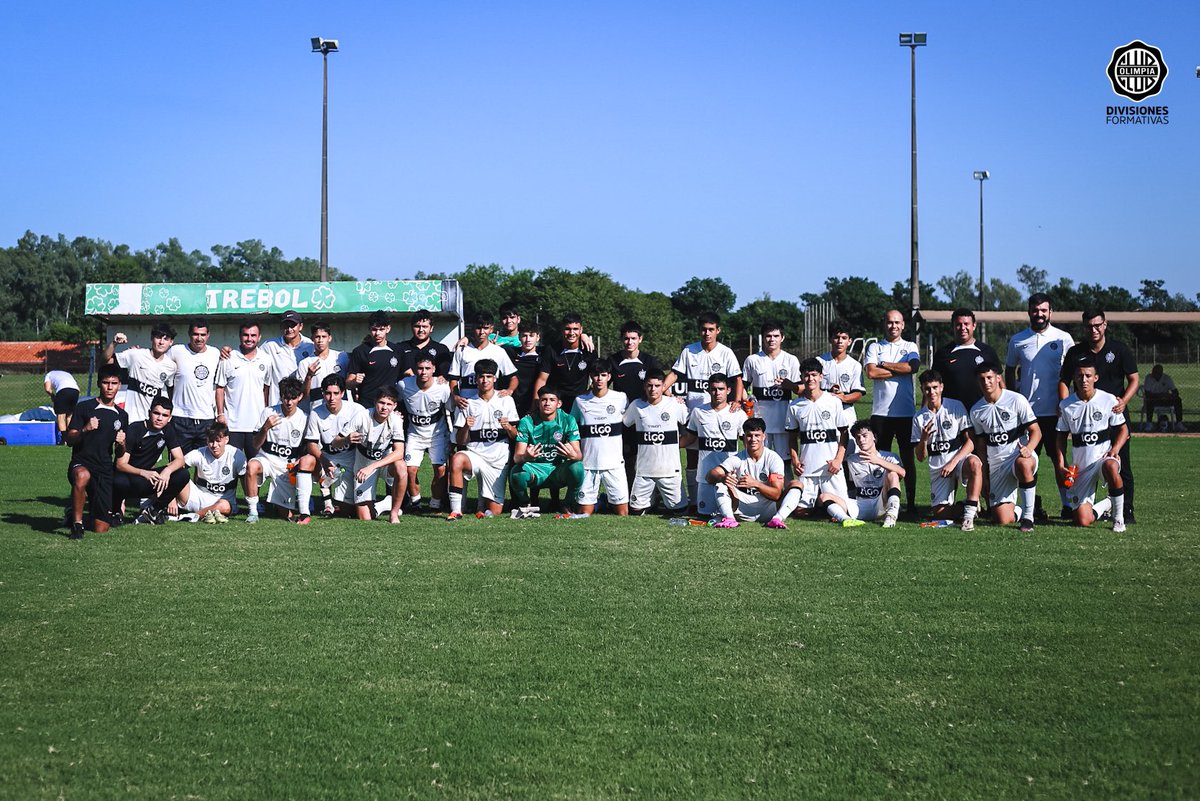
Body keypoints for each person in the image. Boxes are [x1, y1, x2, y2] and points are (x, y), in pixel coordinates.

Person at [1058, 309, 1139, 523]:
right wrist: (1066, 405)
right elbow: (1063, 381)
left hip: (1113, 413)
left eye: (1097, 325)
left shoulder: (1119, 350)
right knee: (1084, 462)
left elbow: (1134, 379)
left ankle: (1125, 510)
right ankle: (1087, 505)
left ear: (1105, 324)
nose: (1094, 329)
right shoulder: (1076, 352)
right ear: (1084, 327)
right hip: (1083, 416)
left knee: (1120, 464)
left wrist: (1123, 401)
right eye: (1089, 326)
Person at [664, 312, 743, 511]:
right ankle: (693, 499)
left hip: (721, 412)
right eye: (703, 329)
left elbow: (737, 378)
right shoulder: (689, 351)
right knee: (693, 458)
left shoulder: (725, 352)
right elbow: (675, 373)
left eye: (711, 330)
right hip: (695, 414)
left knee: (721, 454)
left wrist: (737, 400)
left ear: (718, 330)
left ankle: (727, 495)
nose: (707, 333)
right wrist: (663, 390)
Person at [1005, 293, 1074, 519]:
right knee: (1025, 461)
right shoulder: (1017, 340)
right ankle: (1027, 507)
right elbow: (1009, 371)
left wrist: (1066, 404)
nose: (1039, 314)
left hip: (1055, 413)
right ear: (1029, 312)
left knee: (1059, 460)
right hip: (1027, 416)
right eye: (1035, 310)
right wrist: (1014, 401)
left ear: (1050, 312)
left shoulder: (1064, 338)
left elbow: (1071, 374)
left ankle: (1067, 505)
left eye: (1044, 310)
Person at [772, 358, 849, 526]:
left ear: (821, 377)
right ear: (802, 377)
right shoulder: (795, 406)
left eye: (814, 375)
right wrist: (795, 460)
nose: (810, 379)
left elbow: (844, 434)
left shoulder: (834, 402)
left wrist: (838, 460)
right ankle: (815, 507)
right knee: (800, 512)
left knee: (842, 510)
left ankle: (823, 506)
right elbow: (792, 438)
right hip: (808, 467)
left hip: (831, 467)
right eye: (806, 376)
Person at [1056, 358, 1128, 532]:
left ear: (1096, 377)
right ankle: (1108, 503)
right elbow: (1060, 437)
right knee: (1082, 520)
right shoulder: (1066, 405)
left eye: (1088, 375)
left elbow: (1124, 431)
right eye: (1080, 376)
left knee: (1111, 465)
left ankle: (1118, 519)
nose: (1084, 380)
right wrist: (1060, 463)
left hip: (1102, 460)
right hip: (1081, 467)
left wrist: (1115, 449)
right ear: (1074, 378)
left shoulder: (1108, 400)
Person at [970, 362, 1041, 532]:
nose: (986, 382)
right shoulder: (976, 410)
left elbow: (1036, 431)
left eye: (989, 378)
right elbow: (981, 447)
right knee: (1001, 519)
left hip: (1019, 456)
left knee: (1023, 463)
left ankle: (1028, 518)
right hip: (997, 464)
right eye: (982, 379)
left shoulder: (1016, 399)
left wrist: (1029, 448)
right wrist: (984, 476)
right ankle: (1026, 506)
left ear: (998, 378)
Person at [446, 360, 520, 520]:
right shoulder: (467, 403)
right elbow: (460, 441)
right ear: (476, 379)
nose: (485, 380)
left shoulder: (506, 400)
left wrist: (508, 428)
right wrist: (466, 427)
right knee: (457, 459)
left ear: (495, 378)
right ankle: (456, 510)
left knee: (494, 511)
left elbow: (516, 436)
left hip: (497, 460)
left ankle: (482, 502)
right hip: (475, 455)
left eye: (489, 376)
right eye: (481, 377)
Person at [864, 309, 920, 513]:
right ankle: (881, 504)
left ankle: (911, 504)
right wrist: (899, 368)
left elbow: (913, 367)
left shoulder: (910, 346)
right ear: (884, 324)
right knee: (879, 460)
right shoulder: (874, 346)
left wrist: (885, 365)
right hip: (881, 414)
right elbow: (871, 372)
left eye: (897, 322)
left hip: (905, 413)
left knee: (908, 459)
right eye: (889, 322)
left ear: (903, 325)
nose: (893, 326)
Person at [912, 370, 983, 530]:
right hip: (938, 466)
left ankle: (969, 516)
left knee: (974, 462)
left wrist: (953, 462)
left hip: (958, 461)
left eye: (935, 387)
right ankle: (968, 505)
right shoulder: (918, 418)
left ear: (942, 387)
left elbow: (971, 442)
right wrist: (923, 438)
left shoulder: (955, 406)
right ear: (922, 389)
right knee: (940, 514)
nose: (932, 392)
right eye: (927, 388)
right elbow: (920, 457)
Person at [64, 364, 128, 539]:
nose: (109, 387)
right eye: (106, 383)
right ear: (99, 384)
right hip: (82, 463)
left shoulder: (122, 416)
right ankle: (77, 524)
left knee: (101, 528)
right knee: (82, 476)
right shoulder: (84, 408)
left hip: (104, 470)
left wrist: (121, 444)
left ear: (119, 385)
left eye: (114, 383)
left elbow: (120, 453)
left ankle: (76, 513)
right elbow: (69, 440)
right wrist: (85, 429)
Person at [296, 374, 368, 524]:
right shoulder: (316, 412)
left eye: (336, 393)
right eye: (328, 393)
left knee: (349, 511)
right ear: (323, 393)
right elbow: (311, 444)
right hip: (326, 458)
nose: (331, 398)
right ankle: (304, 512)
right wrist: (324, 461)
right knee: (306, 460)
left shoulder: (357, 410)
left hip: (351, 459)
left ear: (342, 393)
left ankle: (331, 499)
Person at [112, 396, 189, 526]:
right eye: (156, 413)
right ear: (149, 413)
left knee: (182, 474)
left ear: (169, 418)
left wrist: (167, 471)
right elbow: (120, 465)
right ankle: (115, 511)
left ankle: (153, 511)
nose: (159, 418)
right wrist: (144, 473)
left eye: (164, 415)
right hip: (127, 479)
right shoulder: (135, 429)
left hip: (147, 480)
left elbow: (180, 459)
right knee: (119, 480)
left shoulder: (168, 429)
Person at [510, 386, 584, 518]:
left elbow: (578, 454)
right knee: (516, 473)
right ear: (538, 402)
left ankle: (568, 505)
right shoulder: (527, 422)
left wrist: (572, 455)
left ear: (559, 403)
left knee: (577, 467)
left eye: (552, 400)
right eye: (543, 399)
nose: (547, 403)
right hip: (536, 470)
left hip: (557, 471)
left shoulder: (568, 420)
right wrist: (526, 456)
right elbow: (517, 457)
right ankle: (526, 505)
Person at [623, 368, 689, 515]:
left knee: (679, 511)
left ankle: (659, 496)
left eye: (657, 386)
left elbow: (690, 425)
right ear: (644, 386)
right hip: (644, 471)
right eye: (649, 385)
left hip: (669, 470)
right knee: (636, 511)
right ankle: (652, 499)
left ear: (663, 386)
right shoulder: (636, 405)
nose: (653, 389)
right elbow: (624, 423)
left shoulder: (674, 404)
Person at [816, 421, 905, 528]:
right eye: (858, 438)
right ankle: (846, 520)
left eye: (864, 436)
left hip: (881, 503)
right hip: (859, 505)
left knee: (893, 474)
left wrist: (877, 460)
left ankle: (891, 517)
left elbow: (902, 472)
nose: (861, 440)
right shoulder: (851, 460)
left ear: (874, 437)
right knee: (823, 497)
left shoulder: (889, 457)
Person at [244, 377, 309, 523]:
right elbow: (255, 444)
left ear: (300, 397)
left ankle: (276, 503)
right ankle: (253, 512)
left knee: (286, 515)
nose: (289, 402)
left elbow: (306, 448)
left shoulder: (304, 418)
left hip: (286, 467)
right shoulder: (268, 412)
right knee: (251, 466)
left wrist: (298, 463)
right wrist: (265, 428)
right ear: (281, 396)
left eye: (293, 398)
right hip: (266, 459)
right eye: (286, 398)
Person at [570, 359, 630, 516]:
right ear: (591, 376)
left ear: (609, 377)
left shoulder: (621, 398)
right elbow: (571, 427)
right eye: (596, 375)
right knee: (584, 512)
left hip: (614, 464)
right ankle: (599, 503)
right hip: (589, 464)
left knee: (622, 513)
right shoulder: (580, 401)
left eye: (603, 375)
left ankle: (605, 501)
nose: (599, 379)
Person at [684, 373, 747, 518]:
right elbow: (688, 439)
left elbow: (748, 443)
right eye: (714, 389)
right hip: (705, 476)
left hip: (730, 476)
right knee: (705, 515)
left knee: (731, 515)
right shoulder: (698, 412)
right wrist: (669, 444)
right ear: (708, 390)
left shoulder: (738, 414)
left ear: (728, 391)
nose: (717, 393)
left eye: (721, 389)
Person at [742, 321, 800, 477]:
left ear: (782, 338)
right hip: (760, 422)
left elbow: (800, 389)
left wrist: (790, 386)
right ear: (763, 338)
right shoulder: (752, 360)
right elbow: (742, 386)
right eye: (768, 336)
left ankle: (787, 498)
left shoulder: (791, 360)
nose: (772, 339)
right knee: (758, 460)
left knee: (784, 463)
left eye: (776, 336)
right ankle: (759, 497)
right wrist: (746, 402)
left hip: (783, 421)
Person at [607, 320, 661, 483]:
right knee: (627, 458)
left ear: (640, 339)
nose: (629, 342)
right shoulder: (613, 360)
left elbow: (659, 385)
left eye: (633, 338)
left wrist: (672, 396)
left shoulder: (649, 361)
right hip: (623, 418)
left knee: (651, 458)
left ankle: (654, 496)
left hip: (646, 416)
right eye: (626, 338)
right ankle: (628, 493)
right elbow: (603, 385)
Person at [706, 417, 785, 528]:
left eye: (757, 435)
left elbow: (777, 495)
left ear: (763, 436)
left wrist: (756, 484)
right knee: (720, 484)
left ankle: (777, 519)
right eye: (749, 435)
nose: (753, 439)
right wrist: (723, 478)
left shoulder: (773, 459)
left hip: (768, 508)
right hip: (743, 507)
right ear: (743, 437)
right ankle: (730, 519)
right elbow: (710, 476)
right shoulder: (738, 458)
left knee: (796, 485)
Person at [399, 353, 452, 513]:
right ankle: (415, 502)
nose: (423, 372)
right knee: (410, 469)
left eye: (427, 368)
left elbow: (451, 409)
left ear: (434, 369)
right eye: (420, 368)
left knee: (440, 469)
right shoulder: (403, 385)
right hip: (414, 433)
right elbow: (394, 401)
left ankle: (435, 503)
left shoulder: (442, 387)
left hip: (437, 432)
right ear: (415, 369)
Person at [347, 385, 407, 523]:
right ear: (375, 402)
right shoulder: (362, 416)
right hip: (363, 464)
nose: (384, 407)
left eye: (389, 404)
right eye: (381, 402)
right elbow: (335, 442)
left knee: (401, 467)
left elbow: (399, 452)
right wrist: (346, 439)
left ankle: (394, 513)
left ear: (394, 406)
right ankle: (385, 504)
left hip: (383, 464)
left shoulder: (396, 420)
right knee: (365, 518)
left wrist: (373, 467)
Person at [215, 319, 271, 459]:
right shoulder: (228, 358)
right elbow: (220, 388)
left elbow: (266, 388)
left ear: (259, 337)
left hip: (256, 425)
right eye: (246, 335)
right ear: (240, 336)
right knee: (230, 468)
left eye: (253, 335)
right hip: (233, 425)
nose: (249, 339)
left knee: (254, 468)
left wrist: (265, 414)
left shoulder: (266, 359)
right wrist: (220, 414)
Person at [167, 318, 221, 454]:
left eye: (203, 335)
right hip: (180, 417)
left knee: (205, 465)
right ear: (189, 334)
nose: (199, 338)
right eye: (195, 334)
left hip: (206, 418)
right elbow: (158, 361)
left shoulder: (216, 353)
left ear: (208, 335)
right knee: (179, 465)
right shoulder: (176, 351)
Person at [174, 422, 247, 524]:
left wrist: (251, 505)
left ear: (226, 439)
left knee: (224, 506)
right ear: (207, 440)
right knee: (179, 473)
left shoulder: (236, 455)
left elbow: (245, 481)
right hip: (197, 499)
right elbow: (175, 469)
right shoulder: (200, 453)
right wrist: (171, 499)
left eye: (218, 441)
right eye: (211, 441)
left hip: (221, 503)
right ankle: (158, 506)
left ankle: (193, 516)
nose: (214, 445)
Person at [105, 323, 177, 423]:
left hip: (152, 422)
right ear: (152, 338)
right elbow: (106, 360)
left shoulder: (171, 366)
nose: (161, 342)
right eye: (158, 337)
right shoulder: (136, 355)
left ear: (171, 342)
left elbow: (170, 389)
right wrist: (114, 343)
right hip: (132, 419)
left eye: (166, 339)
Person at [931, 308, 1000, 411]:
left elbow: (999, 382)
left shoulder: (987, 351)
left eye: (966, 324)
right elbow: (932, 384)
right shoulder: (943, 354)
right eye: (958, 324)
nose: (963, 328)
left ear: (974, 326)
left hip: (982, 411)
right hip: (951, 413)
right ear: (953, 327)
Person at [448, 313, 518, 407]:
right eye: (478, 328)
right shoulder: (462, 350)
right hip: (466, 403)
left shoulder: (499, 352)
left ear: (491, 329)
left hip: (491, 404)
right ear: (473, 328)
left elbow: (513, 377)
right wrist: (456, 397)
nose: (482, 332)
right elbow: (453, 379)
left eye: (485, 328)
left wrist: (510, 390)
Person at [532, 313, 595, 416]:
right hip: (556, 404)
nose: (571, 333)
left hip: (581, 403)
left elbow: (597, 377)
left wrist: (590, 396)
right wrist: (536, 402)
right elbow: (542, 379)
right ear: (562, 329)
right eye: (568, 329)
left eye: (575, 329)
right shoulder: (552, 350)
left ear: (581, 330)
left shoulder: (589, 350)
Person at [347, 310, 405, 406]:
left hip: (389, 405)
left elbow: (406, 375)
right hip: (367, 404)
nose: (377, 333)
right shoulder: (360, 351)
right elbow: (348, 383)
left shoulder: (397, 350)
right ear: (369, 329)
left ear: (388, 329)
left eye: (381, 329)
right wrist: (354, 381)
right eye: (374, 329)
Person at [259, 310, 315, 405]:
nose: (289, 329)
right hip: (278, 404)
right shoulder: (270, 345)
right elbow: (252, 356)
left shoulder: (310, 345)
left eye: (292, 325)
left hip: (303, 406)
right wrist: (229, 352)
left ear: (300, 326)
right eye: (286, 325)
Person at [817, 318, 865, 427]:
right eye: (836, 337)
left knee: (847, 443)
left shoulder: (855, 365)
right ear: (830, 339)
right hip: (823, 411)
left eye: (844, 338)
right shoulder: (819, 361)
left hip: (846, 412)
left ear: (850, 341)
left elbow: (858, 392)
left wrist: (843, 398)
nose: (840, 341)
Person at [296, 320, 350, 409]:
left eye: (323, 337)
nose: (320, 340)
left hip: (341, 408)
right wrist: (309, 376)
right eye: (317, 337)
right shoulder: (305, 363)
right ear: (312, 339)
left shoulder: (342, 357)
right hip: (317, 409)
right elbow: (303, 395)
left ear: (329, 338)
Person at [504, 320, 547, 417]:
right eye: (524, 336)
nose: (528, 340)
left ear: (538, 337)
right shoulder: (509, 353)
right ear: (519, 337)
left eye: (531, 335)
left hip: (536, 405)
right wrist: (466, 339)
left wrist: (583, 336)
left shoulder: (545, 355)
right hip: (514, 405)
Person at [396, 309, 453, 377]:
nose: (421, 330)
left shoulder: (441, 349)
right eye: (417, 326)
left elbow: (446, 375)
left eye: (424, 326)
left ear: (431, 328)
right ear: (411, 327)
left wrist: (443, 377)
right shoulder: (400, 348)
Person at [1142, 364, 1184, 432]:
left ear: (1161, 373)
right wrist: (1159, 395)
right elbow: (1147, 393)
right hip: (1154, 399)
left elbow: (1175, 392)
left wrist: (1168, 396)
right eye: (1154, 372)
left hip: (1165, 400)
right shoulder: (1148, 378)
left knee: (1178, 400)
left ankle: (1179, 423)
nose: (1154, 374)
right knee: (1149, 401)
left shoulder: (1167, 378)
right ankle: (1149, 424)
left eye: (1157, 372)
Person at [44, 368, 81, 445]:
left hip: (63, 391)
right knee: (69, 415)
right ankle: (72, 437)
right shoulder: (68, 374)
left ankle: (64, 439)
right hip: (75, 391)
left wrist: (53, 396)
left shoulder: (49, 374)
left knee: (61, 416)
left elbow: (47, 389)